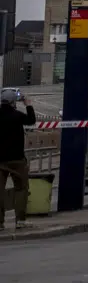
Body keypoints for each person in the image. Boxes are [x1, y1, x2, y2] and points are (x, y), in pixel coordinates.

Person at [0, 88, 36, 230]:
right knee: (21, 188)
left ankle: (0, 223)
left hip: (0, 160)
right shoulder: (17, 115)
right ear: (13, 102)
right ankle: (20, 220)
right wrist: (28, 104)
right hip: (17, 159)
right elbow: (31, 120)